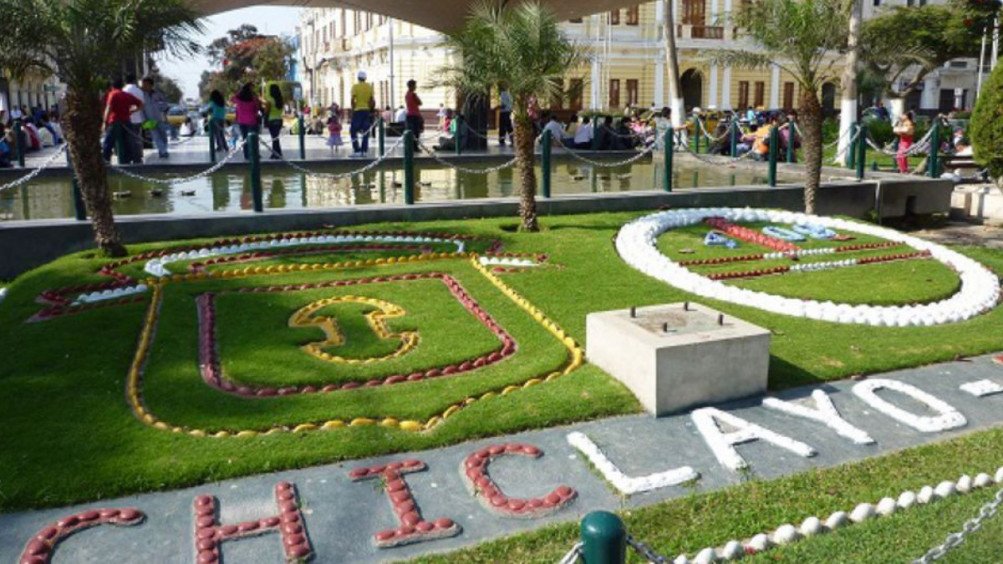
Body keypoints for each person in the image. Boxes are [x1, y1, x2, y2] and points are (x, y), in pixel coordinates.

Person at [102, 77, 143, 163]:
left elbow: (108, 108)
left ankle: (105, 160)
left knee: (108, 142)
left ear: (112, 86)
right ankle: (128, 160)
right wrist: (133, 111)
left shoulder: (112, 94)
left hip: (115, 121)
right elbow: (141, 104)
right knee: (127, 142)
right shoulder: (126, 95)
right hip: (126, 121)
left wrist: (104, 122)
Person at [140, 76, 170, 159]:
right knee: (156, 136)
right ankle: (163, 151)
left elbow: (165, 104)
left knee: (163, 136)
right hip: (149, 120)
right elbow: (141, 108)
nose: (143, 86)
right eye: (143, 84)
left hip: (160, 118)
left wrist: (161, 106)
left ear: (150, 85)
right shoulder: (141, 95)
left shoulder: (158, 93)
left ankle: (162, 150)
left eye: (145, 84)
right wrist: (143, 120)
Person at [231, 82, 262, 159]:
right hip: (252, 121)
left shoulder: (238, 99)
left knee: (245, 139)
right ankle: (255, 154)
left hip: (242, 121)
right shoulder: (254, 98)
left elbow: (232, 99)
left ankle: (247, 155)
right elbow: (258, 107)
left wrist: (240, 90)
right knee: (254, 139)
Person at [349, 70, 376, 157]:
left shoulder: (355, 87)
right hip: (366, 111)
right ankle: (364, 150)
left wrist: (353, 110)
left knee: (353, 130)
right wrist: (371, 109)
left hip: (358, 110)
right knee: (366, 131)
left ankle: (357, 149)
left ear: (358, 78)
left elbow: (353, 100)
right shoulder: (369, 87)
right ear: (365, 78)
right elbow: (372, 100)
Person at [122, 74, 145, 163]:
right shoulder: (139, 91)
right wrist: (135, 110)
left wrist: (130, 112)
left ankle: (129, 157)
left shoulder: (124, 90)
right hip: (138, 119)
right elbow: (142, 105)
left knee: (128, 139)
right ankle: (137, 157)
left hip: (127, 119)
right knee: (136, 139)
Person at [262, 83, 285, 159]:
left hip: (272, 120)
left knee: (274, 138)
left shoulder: (270, 101)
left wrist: (265, 121)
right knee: (276, 137)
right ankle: (278, 152)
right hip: (279, 119)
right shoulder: (281, 99)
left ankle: (276, 153)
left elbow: (266, 112)